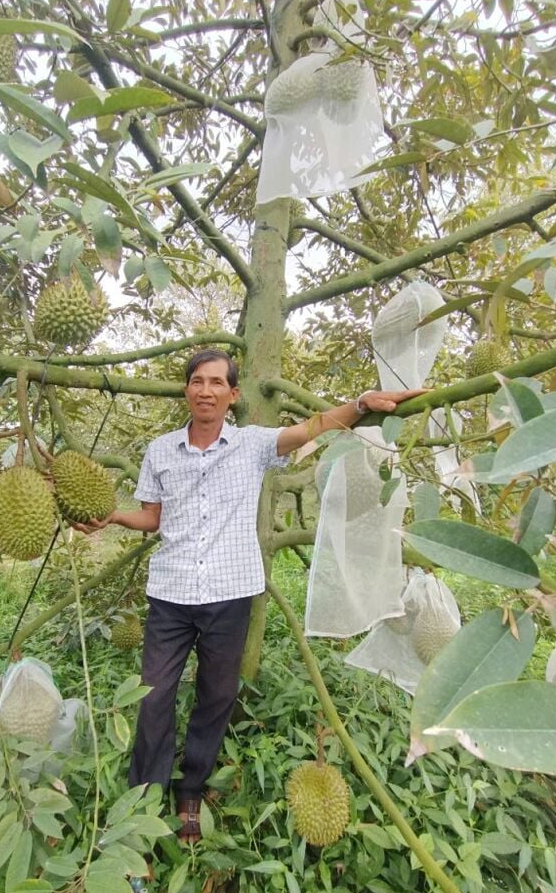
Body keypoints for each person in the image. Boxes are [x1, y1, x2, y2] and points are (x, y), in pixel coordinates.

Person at [75, 349, 422, 843]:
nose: (206, 390)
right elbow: (153, 517)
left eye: (217, 382)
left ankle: (190, 790)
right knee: (153, 697)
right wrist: (112, 517)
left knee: (216, 697)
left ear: (233, 395)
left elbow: (310, 429)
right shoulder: (160, 451)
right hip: (170, 594)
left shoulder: (253, 445)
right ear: (187, 390)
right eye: (198, 381)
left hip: (229, 594)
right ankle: (144, 799)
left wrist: (361, 403)